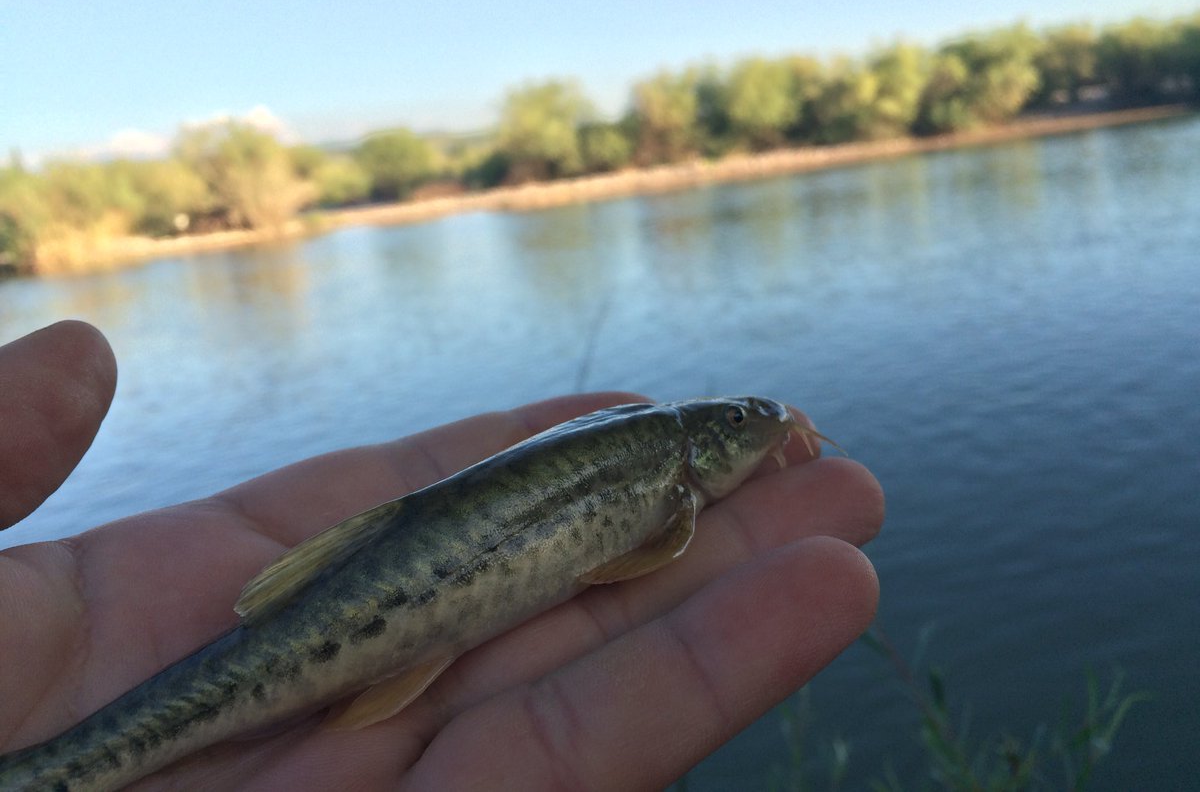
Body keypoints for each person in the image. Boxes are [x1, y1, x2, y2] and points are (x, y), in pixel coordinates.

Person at [0, 320, 883, 790]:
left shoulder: (667, 468)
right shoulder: (672, 494)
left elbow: (626, 564)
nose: (757, 426)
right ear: (700, 453)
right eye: (737, 422)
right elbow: (636, 564)